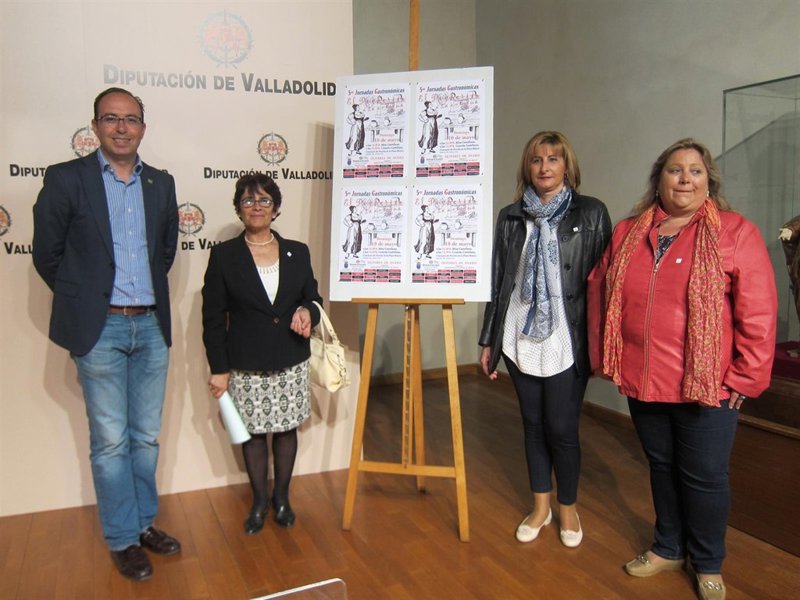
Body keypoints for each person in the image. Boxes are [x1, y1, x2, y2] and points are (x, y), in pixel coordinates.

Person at [587, 138, 777, 600]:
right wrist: (604, 357)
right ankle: (668, 547)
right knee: (661, 466)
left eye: (695, 170)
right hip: (643, 378)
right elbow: (599, 291)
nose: (685, 178)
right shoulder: (628, 231)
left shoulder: (735, 232)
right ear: (659, 180)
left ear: (709, 181)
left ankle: (708, 562)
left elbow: (758, 310)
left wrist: (747, 375)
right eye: (675, 170)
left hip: (708, 385)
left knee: (705, 476)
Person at [32, 87, 180, 582]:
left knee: (145, 437)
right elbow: (47, 255)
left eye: (130, 119)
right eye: (111, 118)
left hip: (151, 325)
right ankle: (122, 537)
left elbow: (164, 253)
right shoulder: (66, 179)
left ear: (143, 127)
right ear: (95, 125)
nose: (121, 127)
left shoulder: (161, 183)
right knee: (112, 442)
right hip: (101, 328)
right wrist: (86, 300)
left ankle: (143, 524)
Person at [479, 131, 611, 548]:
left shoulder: (591, 213)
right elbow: (499, 282)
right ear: (527, 167)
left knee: (562, 428)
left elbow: (605, 285)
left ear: (567, 166)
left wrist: (604, 344)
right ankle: (541, 507)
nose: (545, 167)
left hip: (566, 334)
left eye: (553, 159)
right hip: (519, 331)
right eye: (537, 160)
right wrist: (488, 340)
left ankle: (568, 507)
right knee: (532, 425)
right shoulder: (510, 216)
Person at [202, 173, 322, 535]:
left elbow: (313, 298)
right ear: (239, 209)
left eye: (264, 200)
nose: (257, 207)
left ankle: (282, 499)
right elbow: (212, 318)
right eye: (248, 200)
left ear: (276, 208)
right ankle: (259, 501)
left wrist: (308, 312)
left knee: (286, 431)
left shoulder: (298, 251)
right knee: (253, 435)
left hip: (290, 358)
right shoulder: (223, 256)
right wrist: (219, 368)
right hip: (246, 362)